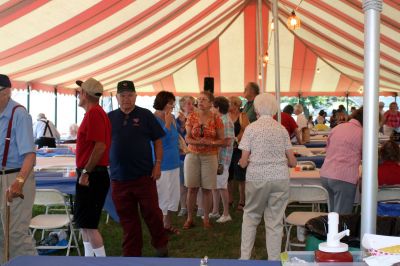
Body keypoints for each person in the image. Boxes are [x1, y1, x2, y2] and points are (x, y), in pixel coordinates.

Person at [108, 80, 168, 257]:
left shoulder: (146, 115)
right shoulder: (109, 117)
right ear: (117, 97)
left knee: (153, 214)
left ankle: (161, 245)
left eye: (130, 95)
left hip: (144, 177)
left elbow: (158, 141)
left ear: (135, 96)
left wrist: (157, 164)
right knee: (128, 220)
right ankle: (132, 255)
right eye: (123, 95)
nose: (126, 99)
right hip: (119, 179)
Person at [238, 93, 296, 260]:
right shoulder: (281, 129)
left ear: (256, 109)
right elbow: (292, 161)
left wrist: (244, 162)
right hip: (280, 178)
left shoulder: (251, 129)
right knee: (275, 221)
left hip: (257, 178)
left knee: (250, 217)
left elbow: (243, 161)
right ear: (274, 109)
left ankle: (245, 258)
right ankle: (274, 260)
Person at [0, 74, 37, 261]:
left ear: (7, 92)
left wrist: (19, 181)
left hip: (15, 176)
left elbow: (30, 155)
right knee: (0, 234)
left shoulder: (19, 114)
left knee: (15, 234)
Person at [74, 78, 111, 257]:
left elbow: (100, 146)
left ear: (85, 94)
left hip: (93, 175)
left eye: (79, 92)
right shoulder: (94, 113)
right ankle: (89, 261)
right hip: (91, 174)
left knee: (89, 225)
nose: (77, 95)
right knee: (85, 224)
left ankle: (101, 261)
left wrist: (86, 172)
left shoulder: (95, 113)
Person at [183, 91, 225, 230]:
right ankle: (189, 218)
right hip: (192, 155)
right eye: (199, 99)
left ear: (211, 103)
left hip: (210, 156)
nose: (200, 101)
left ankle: (206, 219)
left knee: (207, 189)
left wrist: (210, 143)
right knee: (191, 188)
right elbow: (187, 138)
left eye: (204, 99)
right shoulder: (191, 116)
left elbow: (221, 139)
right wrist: (196, 141)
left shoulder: (216, 118)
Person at [320, 107, 363, 214]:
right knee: (342, 216)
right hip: (344, 176)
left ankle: (328, 230)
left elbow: (327, 149)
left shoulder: (337, 128)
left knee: (333, 214)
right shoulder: (362, 133)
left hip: (326, 174)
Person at [153, 91, 180, 234]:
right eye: (170, 103)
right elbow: (158, 142)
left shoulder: (173, 118)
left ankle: (168, 225)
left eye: (173, 103)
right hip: (161, 164)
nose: (172, 106)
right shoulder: (154, 119)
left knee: (173, 196)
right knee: (162, 195)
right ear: (162, 103)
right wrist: (167, 125)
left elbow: (176, 137)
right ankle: (160, 228)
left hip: (175, 162)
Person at [210, 96, 234, 223]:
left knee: (222, 186)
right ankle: (215, 211)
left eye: (213, 106)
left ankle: (226, 213)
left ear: (218, 107)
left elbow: (228, 141)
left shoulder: (226, 121)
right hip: (217, 158)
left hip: (223, 160)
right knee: (215, 185)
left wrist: (211, 142)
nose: (211, 109)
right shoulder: (221, 120)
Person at [227, 96, 249, 211]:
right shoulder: (225, 116)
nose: (228, 106)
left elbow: (245, 130)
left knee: (241, 176)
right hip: (227, 150)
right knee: (228, 176)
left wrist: (235, 139)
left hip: (239, 150)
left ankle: (242, 200)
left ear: (235, 105)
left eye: (230, 103)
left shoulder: (242, 116)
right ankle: (229, 199)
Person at [176, 96, 195, 217]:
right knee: (182, 184)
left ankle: (197, 206)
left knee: (194, 184)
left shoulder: (197, 118)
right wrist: (183, 124)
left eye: (192, 103)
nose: (191, 105)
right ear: (182, 106)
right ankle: (183, 207)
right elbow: (177, 138)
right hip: (182, 156)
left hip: (195, 154)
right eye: (188, 104)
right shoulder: (177, 120)